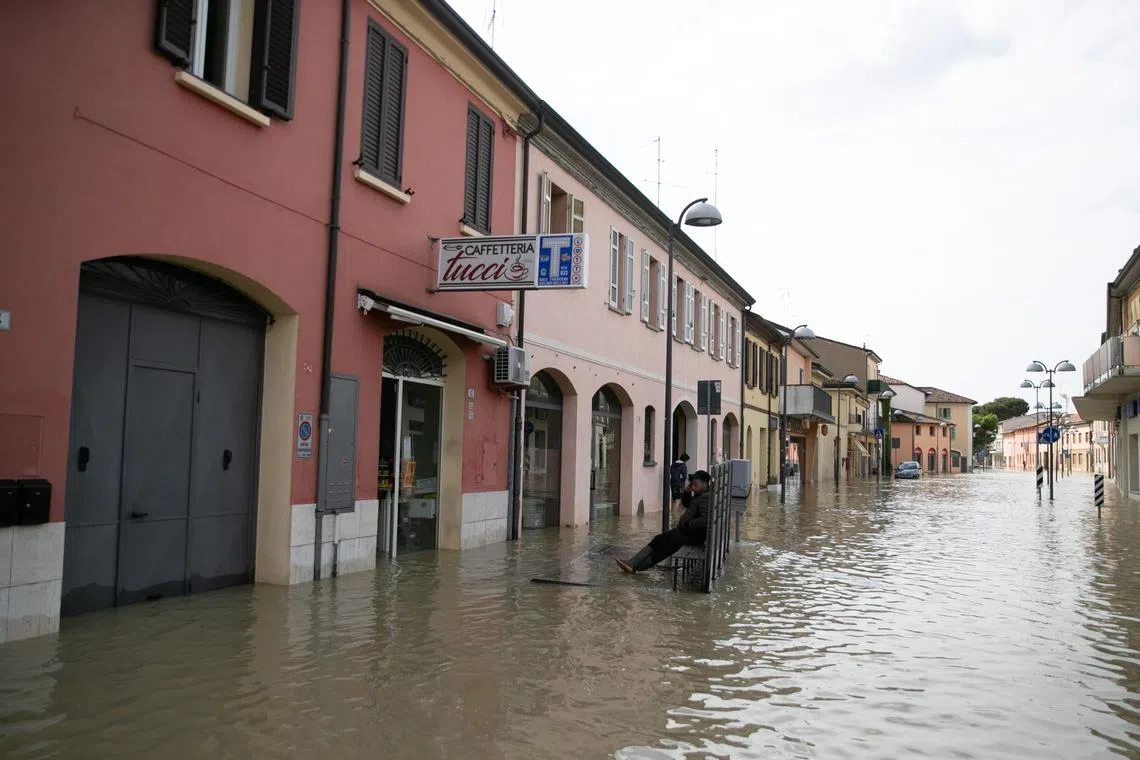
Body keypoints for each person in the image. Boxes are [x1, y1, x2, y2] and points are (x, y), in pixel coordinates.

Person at [617, 470, 710, 573]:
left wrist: (689, 524)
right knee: (658, 539)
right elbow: (687, 504)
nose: (693, 486)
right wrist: (687, 493)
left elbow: (705, 520)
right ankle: (632, 563)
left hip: (692, 534)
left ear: (705, 484)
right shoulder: (700, 495)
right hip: (686, 531)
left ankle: (636, 568)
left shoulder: (705, 498)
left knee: (665, 549)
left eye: (696, 484)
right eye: (692, 483)